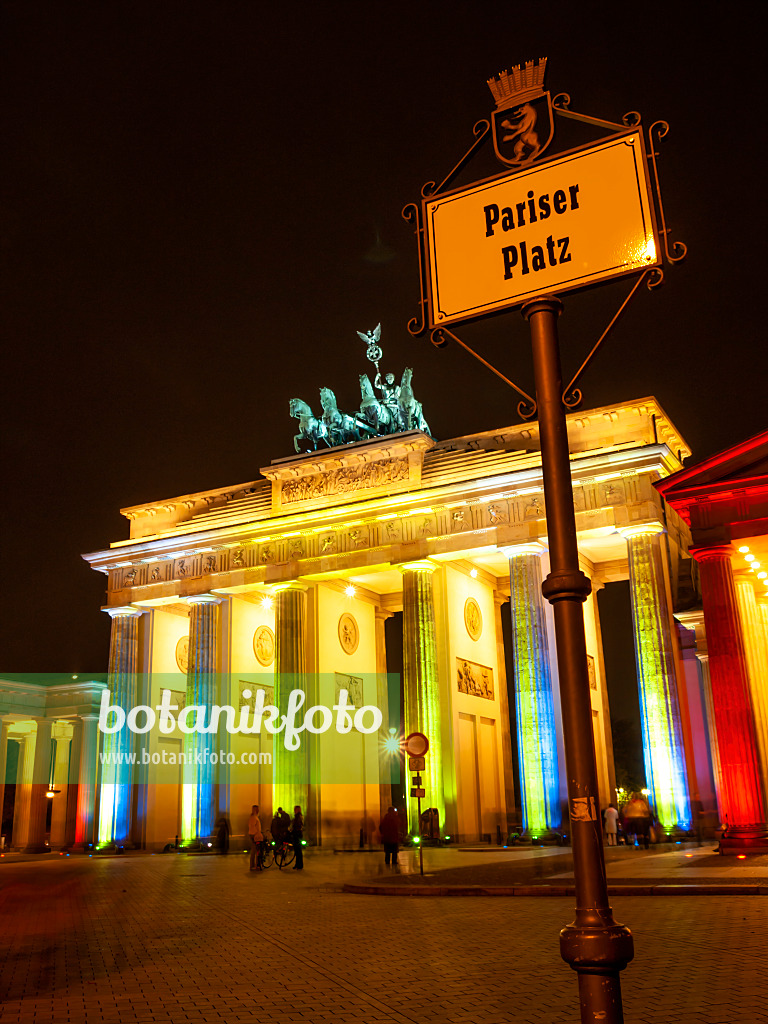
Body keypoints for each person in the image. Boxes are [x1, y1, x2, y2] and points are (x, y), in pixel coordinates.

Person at [248, 804, 263, 871]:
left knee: (255, 851)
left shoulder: (253, 817)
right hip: (254, 835)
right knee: (255, 851)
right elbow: (253, 827)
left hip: (253, 835)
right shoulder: (254, 817)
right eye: (257, 809)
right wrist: (257, 833)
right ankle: (253, 865)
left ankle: (255, 865)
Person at [291, 805, 304, 870]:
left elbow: (297, 825)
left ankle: (299, 865)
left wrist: (293, 830)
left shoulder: (297, 817)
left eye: (295, 809)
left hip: (297, 835)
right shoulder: (299, 816)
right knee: (298, 851)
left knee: (298, 851)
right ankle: (298, 864)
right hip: (298, 834)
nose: (294, 810)